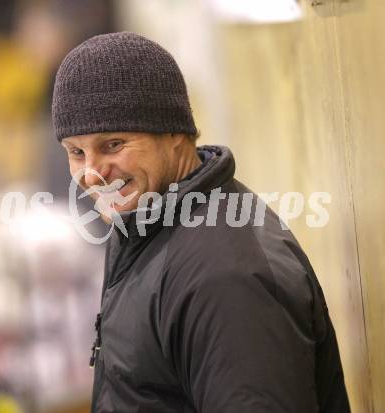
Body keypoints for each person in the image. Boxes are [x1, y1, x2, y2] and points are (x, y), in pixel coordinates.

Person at [52, 32, 350, 412]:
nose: (92, 173)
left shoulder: (226, 276)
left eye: (114, 144)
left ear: (175, 133)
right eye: (76, 152)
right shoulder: (144, 224)